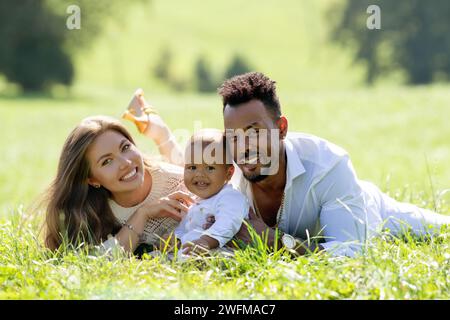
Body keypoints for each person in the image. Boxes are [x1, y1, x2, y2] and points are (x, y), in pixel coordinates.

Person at [216, 72, 450, 257]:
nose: (243, 147)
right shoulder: (221, 174)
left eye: (254, 132)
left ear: (281, 129)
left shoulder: (328, 166)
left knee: (443, 231)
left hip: (370, 212)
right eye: (233, 136)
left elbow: (350, 252)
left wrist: (273, 242)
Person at [44, 90, 193, 255]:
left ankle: (159, 131)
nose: (126, 163)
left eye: (126, 147)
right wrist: (142, 214)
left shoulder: (177, 183)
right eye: (107, 161)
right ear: (92, 179)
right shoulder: (91, 212)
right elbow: (95, 264)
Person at [174, 129, 249, 256]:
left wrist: (206, 241)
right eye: (192, 167)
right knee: (158, 256)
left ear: (228, 173)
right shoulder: (196, 202)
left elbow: (228, 222)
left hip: (222, 249)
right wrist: (176, 240)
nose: (199, 174)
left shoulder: (230, 197)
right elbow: (184, 228)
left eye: (210, 168)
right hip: (192, 249)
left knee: (214, 259)